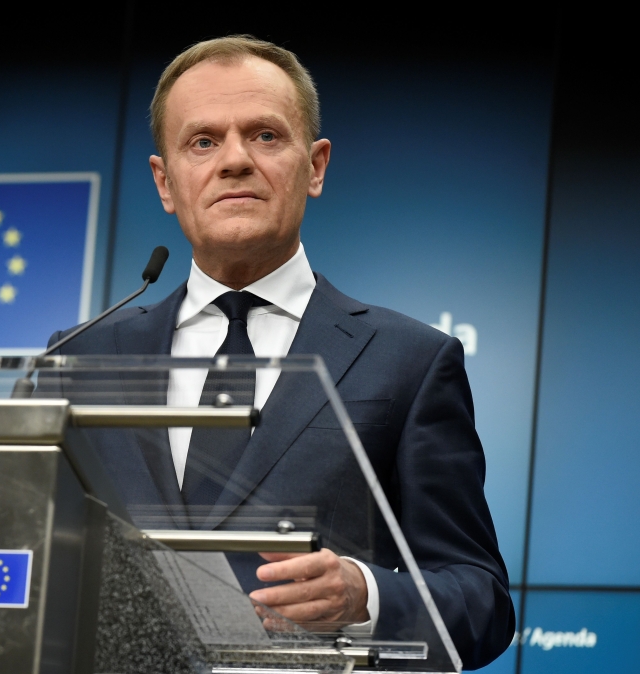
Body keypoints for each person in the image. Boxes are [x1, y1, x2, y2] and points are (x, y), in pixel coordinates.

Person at [49, 36, 514, 669]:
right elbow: (9, 546)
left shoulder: (409, 361)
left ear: (315, 166)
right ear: (165, 181)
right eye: (203, 141)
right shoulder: (80, 358)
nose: (235, 160)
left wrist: (366, 594)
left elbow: (480, 599)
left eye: (265, 135)